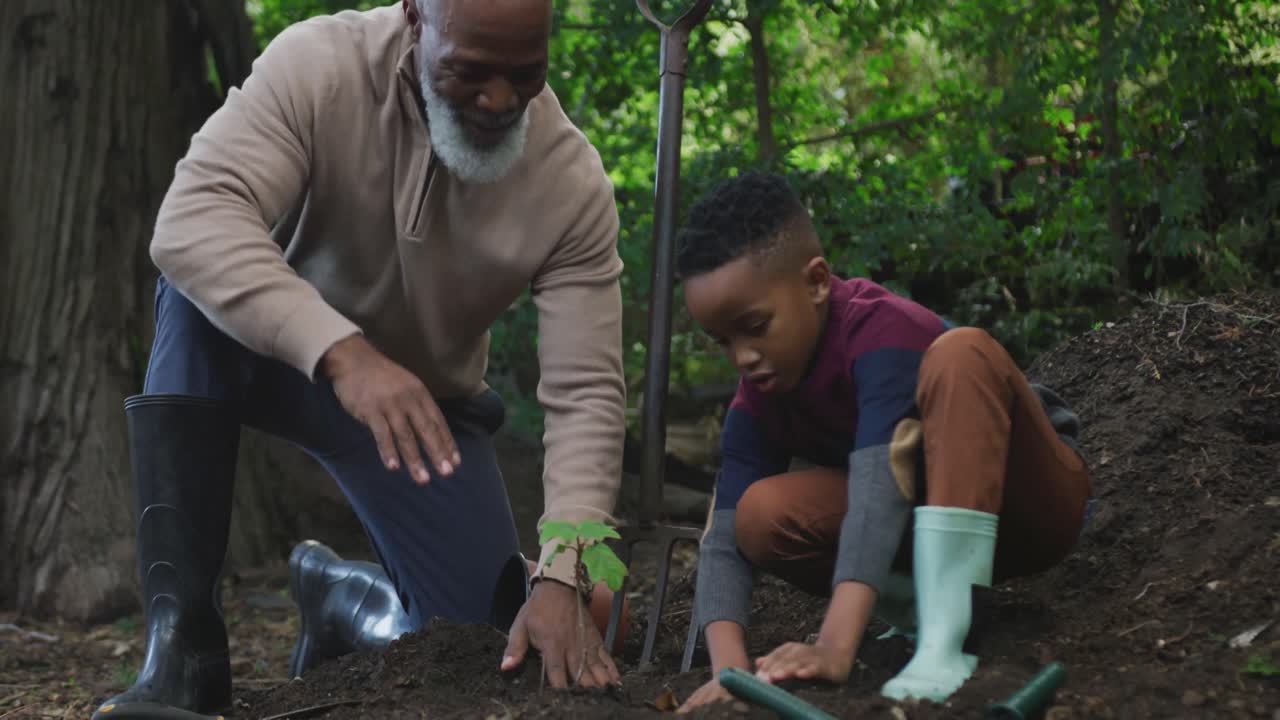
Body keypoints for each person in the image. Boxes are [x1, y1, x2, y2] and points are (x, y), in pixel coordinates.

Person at [95, 1, 630, 717]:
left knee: (474, 643)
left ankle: (345, 601)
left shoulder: (569, 185)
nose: (500, 99)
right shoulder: (318, 67)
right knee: (195, 300)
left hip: (423, 415)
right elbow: (193, 219)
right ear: (416, 15)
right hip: (268, 352)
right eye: (470, 70)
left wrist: (564, 573)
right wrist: (343, 354)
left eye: (525, 74)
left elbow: (588, 390)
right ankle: (183, 649)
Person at [672, 173, 1092, 712]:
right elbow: (724, 538)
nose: (742, 356)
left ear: (817, 282)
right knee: (757, 511)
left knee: (960, 352)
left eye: (755, 326)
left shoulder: (881, 332)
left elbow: (879, 488)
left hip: (1031, 502)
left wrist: (833, 646)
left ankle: (944, 637)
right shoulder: (758, 397)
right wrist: (730, 674)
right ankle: (921, 612)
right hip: (924, 522)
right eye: (723, 341)